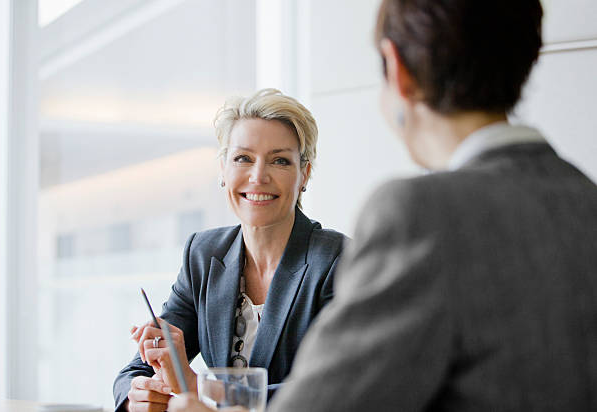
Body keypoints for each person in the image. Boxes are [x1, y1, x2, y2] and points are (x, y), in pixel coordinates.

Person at [169, 0, 597, 411]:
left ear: (397, 68)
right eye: (243, 157)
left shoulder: (417, 214)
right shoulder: (585, 199)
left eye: (280, 160)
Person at [113, 88, 346, 412]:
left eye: (279, 160)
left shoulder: (338, 261)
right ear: (223, 169)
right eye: (243, 158)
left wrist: (198, 387)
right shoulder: (204, 254)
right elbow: (135, 372)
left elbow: (333, 388)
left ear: (303, 174)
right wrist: (137, 395)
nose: (258, 176)